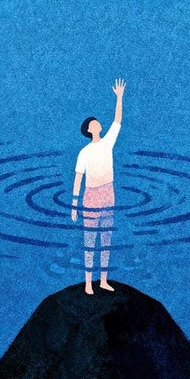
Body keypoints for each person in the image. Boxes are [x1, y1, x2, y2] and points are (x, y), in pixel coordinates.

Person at [71, 78, 125, 294]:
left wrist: (119, 98)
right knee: (90, 240)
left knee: (106, 238)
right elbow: (77, 179)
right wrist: (74, 204)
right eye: (94, 123)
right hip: (91, 196)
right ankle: (87, 283)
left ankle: (103, 280)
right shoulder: (84, 152)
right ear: (89, 129)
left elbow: (118, 120)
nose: (98, 123)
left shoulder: (107, 142)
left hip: (108, 193)